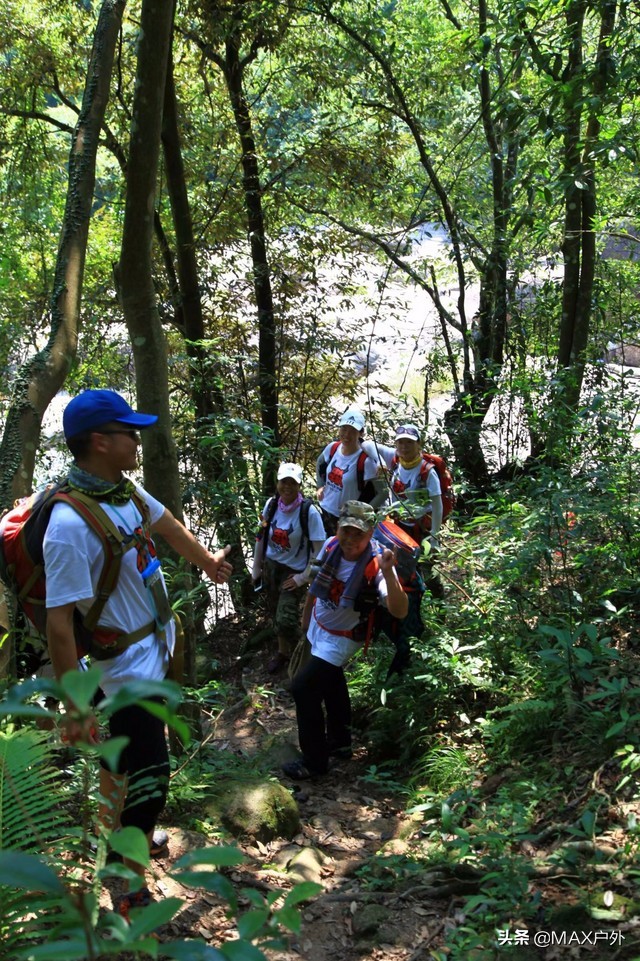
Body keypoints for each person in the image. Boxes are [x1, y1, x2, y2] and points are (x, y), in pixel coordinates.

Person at [43, 388, 232, 920]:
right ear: (100, 442)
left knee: (123, 769)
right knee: (151, 776)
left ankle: (129, 842)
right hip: (122, 675)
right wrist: (76, 706)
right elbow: (60, 624)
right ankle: (125, 882)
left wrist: (207, 562)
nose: (137, 439)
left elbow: (168, 526)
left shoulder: (122, 492)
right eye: (129, 432)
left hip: (151, 654)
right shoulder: (69, 526)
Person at [282, 500, 408, 780]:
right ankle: (340, 743)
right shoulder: (330, 546)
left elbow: (400, 609)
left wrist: (388, 571)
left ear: (370, 532)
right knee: (332, 681)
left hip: (343, 638)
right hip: (319, 625)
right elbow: (315, 584)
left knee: (303, 689)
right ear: (338, 527)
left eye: (358, 533)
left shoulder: (376, 563)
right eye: (346, 530)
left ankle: (314, 763)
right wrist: (306, 619)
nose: (350, 539)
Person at [362, 423, 444, 675]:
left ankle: (439, 610)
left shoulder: (426, 471)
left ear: (418, 444)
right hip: (398, 531)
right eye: (400, 442)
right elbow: (366, 444)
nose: (405, 447)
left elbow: (437, 504)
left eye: (409, 442)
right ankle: (406, 615)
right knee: (405, 573)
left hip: (420, 531)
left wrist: (435, 538)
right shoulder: (396, 461)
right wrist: (380, 462)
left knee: (427, 573)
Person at [251, 463, 326, 674]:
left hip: (294, 572)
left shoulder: (309, 513)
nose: (287, 487)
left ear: (300, 485)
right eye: (284, 481)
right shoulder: (271, 505)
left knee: (285, 620)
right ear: (277, 482)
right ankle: (283, 654)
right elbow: (261, 536)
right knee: (276, 612)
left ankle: (309, 654)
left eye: (292, 483)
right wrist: (256, 567)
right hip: (271, 568)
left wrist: (302, 578)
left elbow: (319, 553)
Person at [315, 407, 381, 535]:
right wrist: (320, 486)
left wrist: (362, 513)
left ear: (360, 433)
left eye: (352, 431)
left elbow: (382, 492)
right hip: (323, 510)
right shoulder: (332, 448)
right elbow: (320, 462)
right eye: (344, 429)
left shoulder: (365, 461)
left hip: (345, 519)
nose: (346, 434)